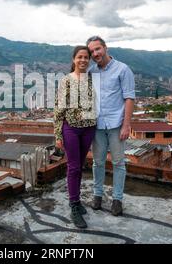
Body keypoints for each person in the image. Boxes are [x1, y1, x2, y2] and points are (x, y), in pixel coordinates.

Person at [86, 36, 135, 216]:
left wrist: (126, 125)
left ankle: (117, 199)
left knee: (118, 163)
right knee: (97, 162)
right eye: (92, 51)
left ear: (105, 48)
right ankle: (97, 195)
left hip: (116, 124)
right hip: (97, 125)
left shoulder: (123, 69)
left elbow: (129, 98)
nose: (95, 53)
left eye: (97, 49)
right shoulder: (92, 72)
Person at [54, 45, 97, 229]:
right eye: (80, 57)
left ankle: (77, 201)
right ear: (74, 59)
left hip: (88, 128)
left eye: (86, 57)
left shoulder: (92, 79)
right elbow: (58, 108)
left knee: (80, 166)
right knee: (73, 167)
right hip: (70, 128)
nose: (83, 60)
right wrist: (58, 133)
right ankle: (73, 205)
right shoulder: (66, 80)